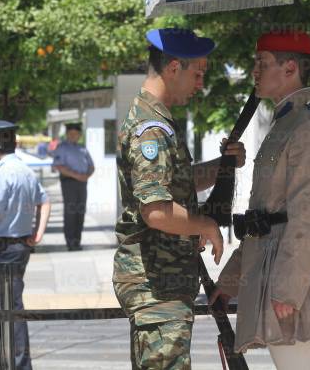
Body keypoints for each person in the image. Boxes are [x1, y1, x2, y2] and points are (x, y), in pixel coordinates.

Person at [210, 31, 310, 369]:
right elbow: (264, 218)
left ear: (290, 67)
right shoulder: (287, 122)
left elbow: (308, 214)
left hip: (295, 282)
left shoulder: (308, 126)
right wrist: (233, 279)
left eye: (262, 63)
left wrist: (289, 289)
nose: (255, 71)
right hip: (278, 271)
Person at [113, 28, 246, 370]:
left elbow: (174, 184)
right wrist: (206, 224)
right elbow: (156, 211)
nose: (201, 83)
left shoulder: (157, 119)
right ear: (174, 68)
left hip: (163, 281)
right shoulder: (151, 129)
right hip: (156, 283)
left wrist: (223, 166)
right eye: (198, 73)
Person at [0, 120, 51, 370]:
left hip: (2, 247)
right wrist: (37, 234)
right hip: (19, 245)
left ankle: (17, 364)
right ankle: (16, 362)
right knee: (13, 306)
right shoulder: (25, 169)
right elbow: (45, 200)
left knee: (8, 308)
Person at [53, 123, 94, 251]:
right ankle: (70, 242)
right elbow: (58, 166)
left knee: (80, 212)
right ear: (67, 134)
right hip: (69, 182)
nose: (73, 136)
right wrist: (76, 176)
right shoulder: (62, 147)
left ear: (80, 135)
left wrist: (87, 175)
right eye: (71, 134)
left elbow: (92, 166)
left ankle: (77, 241)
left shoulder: (83, 148)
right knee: (71, 212)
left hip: (82, 182)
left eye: (76, 134)